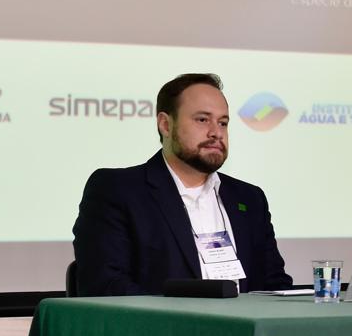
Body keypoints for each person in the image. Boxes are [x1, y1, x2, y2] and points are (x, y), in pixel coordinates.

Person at [72, 73, 291, 296]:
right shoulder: (117, 191)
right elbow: (106, 285)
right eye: (203, 120)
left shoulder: (249, 199)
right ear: (165, 125)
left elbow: (274, 285)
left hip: (241, 330)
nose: (216, 132)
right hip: (163, 330)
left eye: (223, 122)